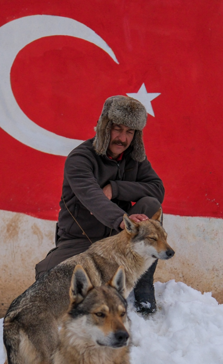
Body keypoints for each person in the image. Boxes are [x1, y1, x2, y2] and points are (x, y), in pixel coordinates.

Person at [35, 95, 165, 315]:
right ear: (105, 127)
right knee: (46, 278)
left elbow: (156, 189)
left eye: (130, 132)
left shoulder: (134, 158)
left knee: (150, 204)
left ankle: (143, 286)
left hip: (118, 239)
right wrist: (123, 221)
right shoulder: (80, 159)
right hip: (81, 239)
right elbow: (93, 197)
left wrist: (116, 188)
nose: (123, 138)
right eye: (118, 128)